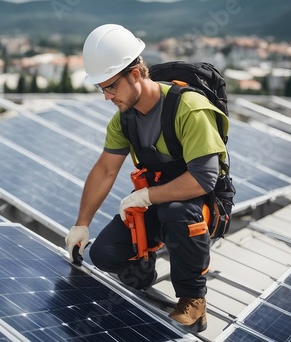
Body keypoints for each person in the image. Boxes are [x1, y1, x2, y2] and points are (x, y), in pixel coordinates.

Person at [65, 24, 229, 333]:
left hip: (202, 206)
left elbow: (203, 179)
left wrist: (145, 197)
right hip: (158, 202)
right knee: (104, 253)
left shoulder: (188, 108)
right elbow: (105, 169)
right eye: (101, 88)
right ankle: (144, 268)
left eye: (110, 86)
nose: (106, 96)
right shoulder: (124, 121)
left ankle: (193, 299)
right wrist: (81, 223)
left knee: (177, 212)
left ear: (136, 73)